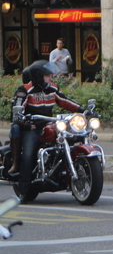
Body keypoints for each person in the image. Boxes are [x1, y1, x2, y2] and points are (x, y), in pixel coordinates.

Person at [11, 60, 84, 201]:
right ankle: (24, 191)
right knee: (28, 154)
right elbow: (16, 110)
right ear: (38, 76)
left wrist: (83, 110)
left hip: (50, 126)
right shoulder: (25, 90)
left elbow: (65, 101)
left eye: (51, 75)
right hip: (32, 128)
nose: (51, 78)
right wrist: (23, 121)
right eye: (48, 76)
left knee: (71, 139)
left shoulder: (53, 89)